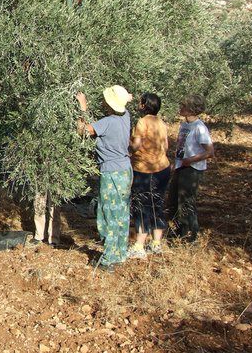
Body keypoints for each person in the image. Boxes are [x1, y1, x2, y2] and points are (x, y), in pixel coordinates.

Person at [76, 85, 133, 272]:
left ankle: (108, 260)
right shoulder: (126, 117)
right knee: (121, 214)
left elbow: (82, 131)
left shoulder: (107, 122)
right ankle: (119, 253)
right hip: (125, 170)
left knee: (108, 215)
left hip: (112, 173)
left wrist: (82, 108)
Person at [128, 93, 170, 258]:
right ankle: (156, 243)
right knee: (156, 205)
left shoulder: (142, 122)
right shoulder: (161, 122)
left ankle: (139, 245)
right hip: (163, 168)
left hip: (144, 170)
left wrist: (128, 146)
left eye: (140, 103)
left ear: (144, 105)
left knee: (142, 207)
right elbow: (166, 146)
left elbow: (136, 146)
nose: (138, 105)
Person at [168, 94, 214, 242]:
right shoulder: (184, 125)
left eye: (184, 106)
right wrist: (177, 162)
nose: (180, 108)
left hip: (192, 170)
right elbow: (181, 147)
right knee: (174, 199)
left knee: (186, 202)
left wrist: (192, 160)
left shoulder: (199, 127)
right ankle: (179, 230)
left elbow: (210, 152)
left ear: (191, 109)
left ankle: (190, 236)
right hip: (181, 166)